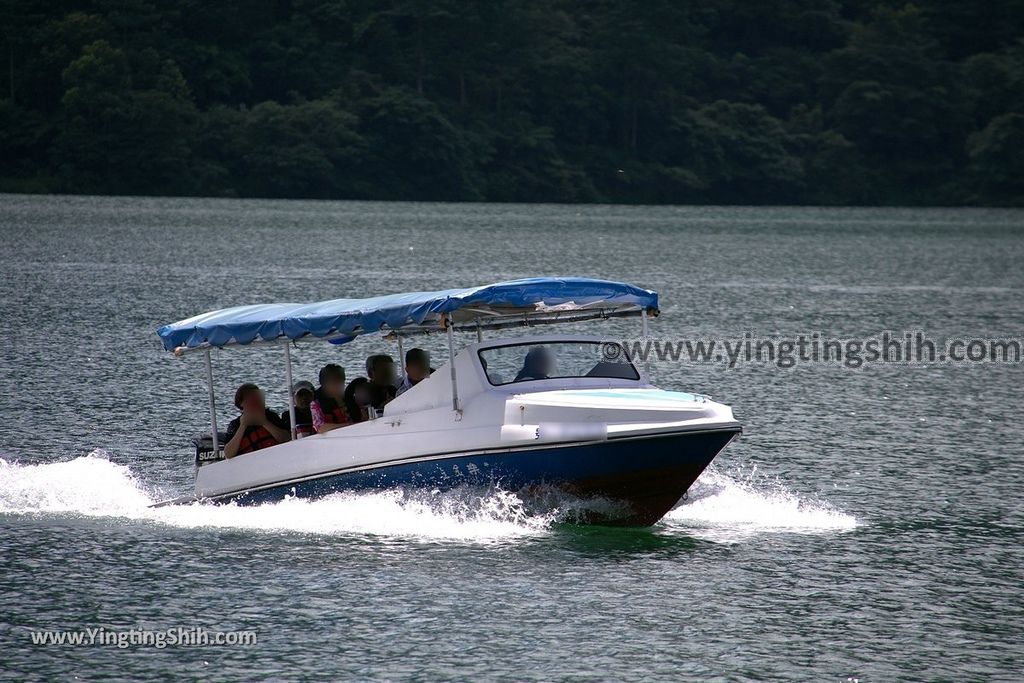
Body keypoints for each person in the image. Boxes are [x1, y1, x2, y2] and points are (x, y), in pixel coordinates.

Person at [223, 383, 290, 458]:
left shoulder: (270, 416)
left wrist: (264, 422)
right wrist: (242, 427)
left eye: (258, 398)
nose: (255, 402)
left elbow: (286, 439)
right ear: (241, 403)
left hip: (275, 458)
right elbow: (228, 454)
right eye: (251, 399)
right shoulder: (235, 425)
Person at [311, 364, 350, 434]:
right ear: (324, 383)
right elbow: (320, 428)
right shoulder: (315, 403)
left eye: (341, 381)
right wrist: (350, 426)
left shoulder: (349, 398)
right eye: (334, 382)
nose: (338, 385)